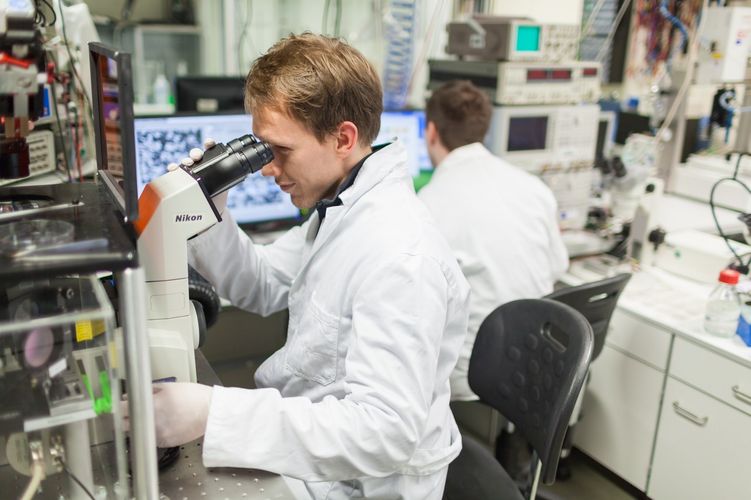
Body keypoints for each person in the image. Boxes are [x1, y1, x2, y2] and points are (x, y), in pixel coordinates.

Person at [145, 33, 470, 499]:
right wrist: (209, 210)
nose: (266, 169)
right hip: (310, 460)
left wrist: (214, 413)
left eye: (281, 151)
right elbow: (258, 285)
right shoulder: (342, 208)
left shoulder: (400, 256)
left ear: (343, 138)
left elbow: (386, 432)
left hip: (361, 485)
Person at [417, 80, 569, 402]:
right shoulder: (535, 189)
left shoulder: (429, 203)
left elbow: (414, 304)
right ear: (482, 131)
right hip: (533, 366)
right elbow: (558, 267)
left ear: (431, 132)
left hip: (466, 381)